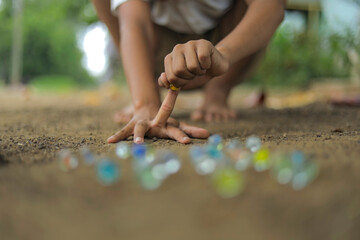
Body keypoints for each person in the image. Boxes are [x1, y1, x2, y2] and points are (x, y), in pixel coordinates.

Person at [91, 0, 285, 144]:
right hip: (160, 52)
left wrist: (223, 54)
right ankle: (144, 90)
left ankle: (217, 92)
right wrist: (145, 103)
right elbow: (135, 22)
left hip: (228, 44)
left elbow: (270, 7)